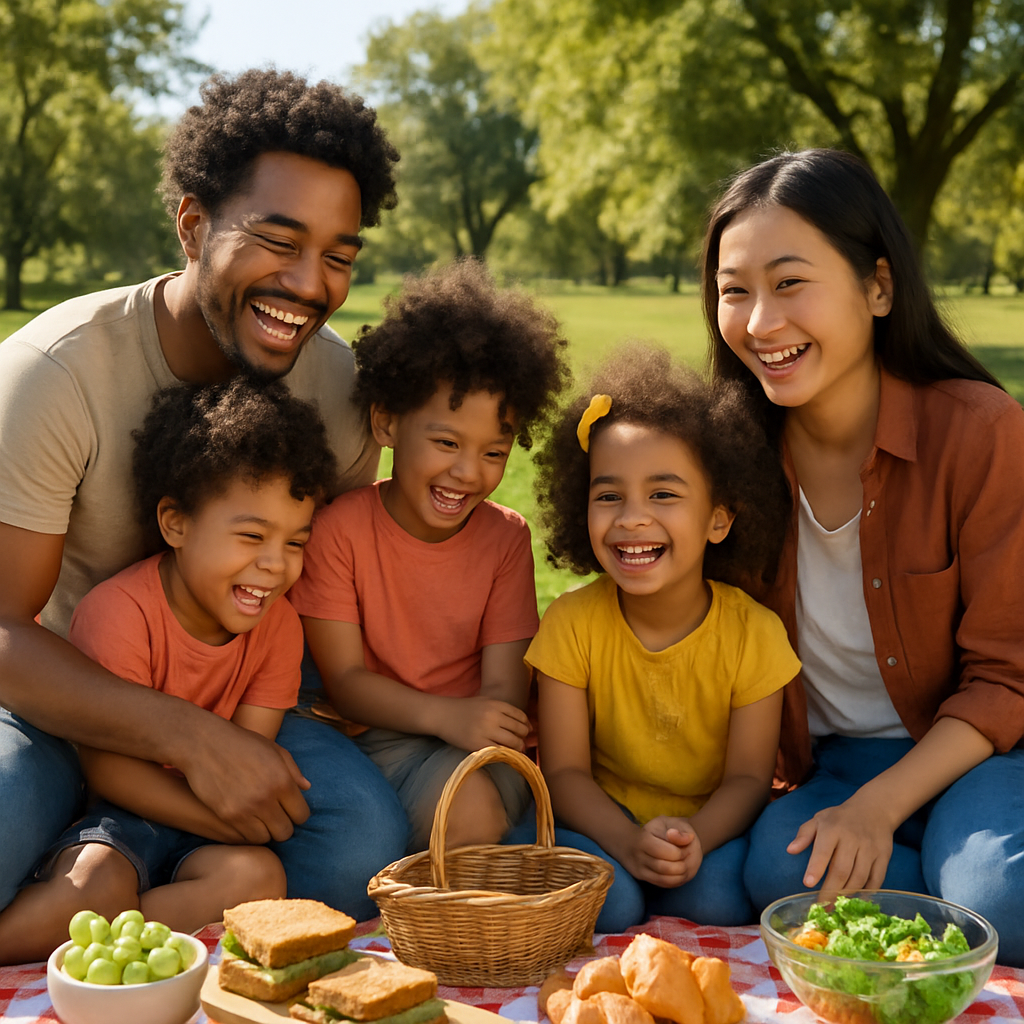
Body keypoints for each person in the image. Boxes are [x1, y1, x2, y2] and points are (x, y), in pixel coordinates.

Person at [0, 68, 408, 929]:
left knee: (361, 849)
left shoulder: (335, 384)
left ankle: (127, 874)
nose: (308, 283)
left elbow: (314, 580)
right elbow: (4, 632)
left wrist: (238, 733)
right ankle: (101, 848)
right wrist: (188, 740)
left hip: (238, 694)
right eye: (278, 239)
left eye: (338, 255)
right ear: (192, 224)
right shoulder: (55, 371)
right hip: (59, 701)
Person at [702, 148, 1024, 966]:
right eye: (734, 291)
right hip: (835, 762)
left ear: (878, 287)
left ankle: (967, 883)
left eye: (789, 282)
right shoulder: (727, 460)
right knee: (780, 869)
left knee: (999, 899)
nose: (760, 323)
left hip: (978, 747)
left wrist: (879, 810)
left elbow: (1005, 680)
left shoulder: (981, 432)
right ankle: (944, 891)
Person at [0, 379, 338, 963]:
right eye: (253, 535)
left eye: (295, 543)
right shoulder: (120, 612)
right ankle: (72, 931)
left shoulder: (279, 627)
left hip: (202, 823)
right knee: (95, 884)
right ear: (175, 523)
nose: (273, 564)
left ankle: (119, 943)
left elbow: (245, 753)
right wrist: (229, 820)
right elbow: (108, 770)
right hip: (122, 813)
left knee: (258, 877)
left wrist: (239, 820)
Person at [506, 344, 800, 931]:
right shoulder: (571, 623)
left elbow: (748, 777)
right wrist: (627, 839)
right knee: (608, 903)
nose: (632, 518)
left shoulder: (755, 633)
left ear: (719, 518)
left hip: (708, 826)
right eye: (608, 495)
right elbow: (564, 774)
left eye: (663, 494)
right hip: (598, 823)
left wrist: (696, 838)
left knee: (715, 901)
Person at [288, 259, 571, 852]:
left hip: (482, 740)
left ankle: (475, 886)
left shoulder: (504, 538)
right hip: (377, 737)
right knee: (394, 829)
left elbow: (503, 691)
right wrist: (445, 716)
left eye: (494, 452)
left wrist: (469, 724)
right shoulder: (340, 530)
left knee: (471, 807)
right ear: (387, 423)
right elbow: (345, 682)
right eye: (446, 442)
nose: (468, 472)